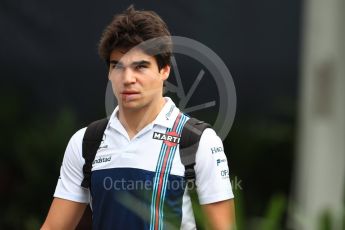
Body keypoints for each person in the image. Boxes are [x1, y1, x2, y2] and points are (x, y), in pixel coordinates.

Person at [42, 5, 235, 230]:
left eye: (140, 67)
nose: (127, 78)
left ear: (164, 70)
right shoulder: (86, 142)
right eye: (118, 66)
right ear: (109, 72)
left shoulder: (198, 140)